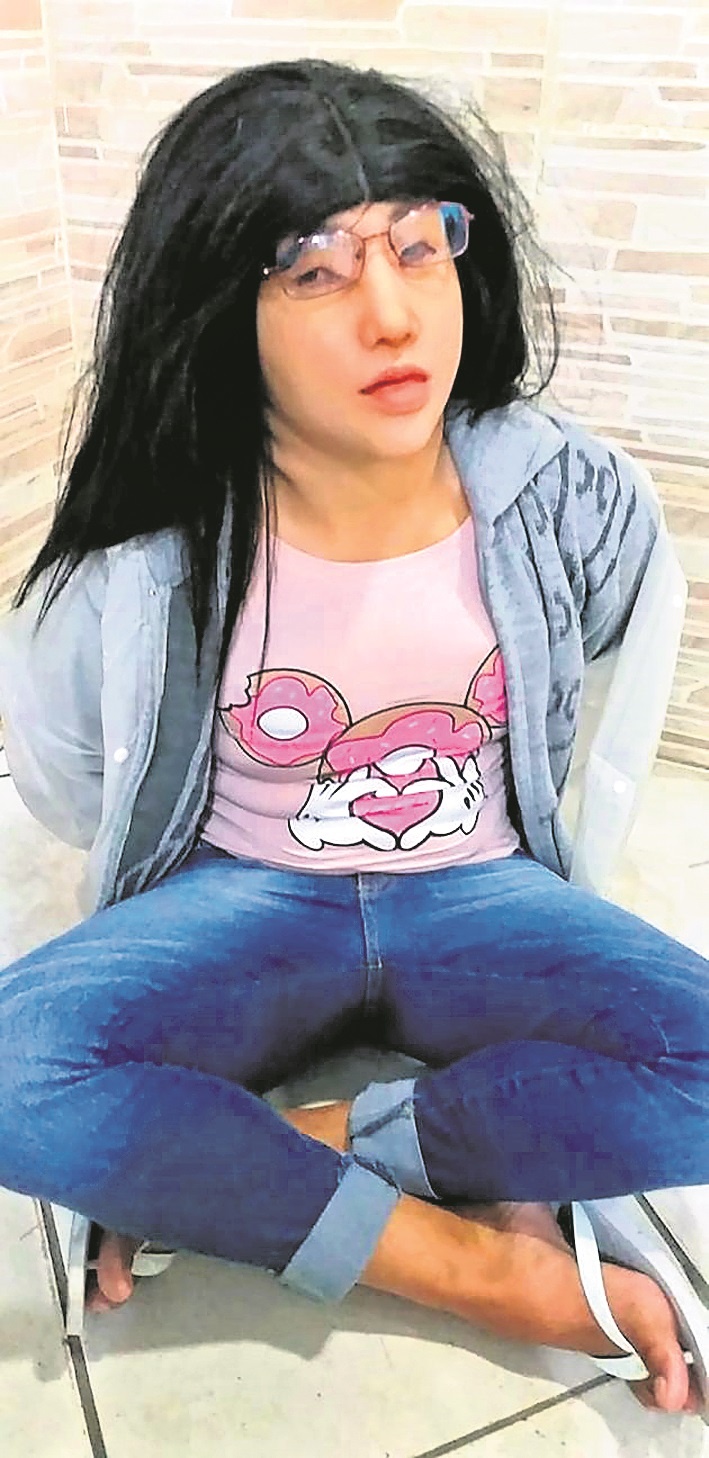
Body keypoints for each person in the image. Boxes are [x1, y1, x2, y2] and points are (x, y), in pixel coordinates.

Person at [0, 57, 707, 1419]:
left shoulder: (561, 489)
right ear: (221, 304)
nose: (391, 314)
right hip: (247, 899)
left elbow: (615, 668)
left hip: (480, 889)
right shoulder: (142, 556)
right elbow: (77, 779)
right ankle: (474, 1268)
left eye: (419, 246)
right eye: (314, 269)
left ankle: (307, 1148)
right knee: (15, 1066)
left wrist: (210, 1158)